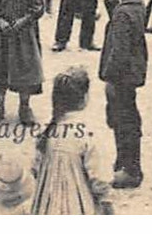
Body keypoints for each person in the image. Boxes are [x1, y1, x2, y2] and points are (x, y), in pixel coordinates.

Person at [29, 68, 111, 215]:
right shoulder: (87, 133)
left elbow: (34, 169)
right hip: (78, 207)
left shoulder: (47, 132)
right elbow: (99, 179)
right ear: (85, 98)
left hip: (47, 207)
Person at [99, 0, 149, 189]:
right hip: (132, 75)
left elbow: (118, 50)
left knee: (122, 122)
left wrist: (108, 77)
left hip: (120, 77)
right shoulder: (137, 5)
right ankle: (126, 164)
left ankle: (129, 169)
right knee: (129, 118)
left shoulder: (122, 14)